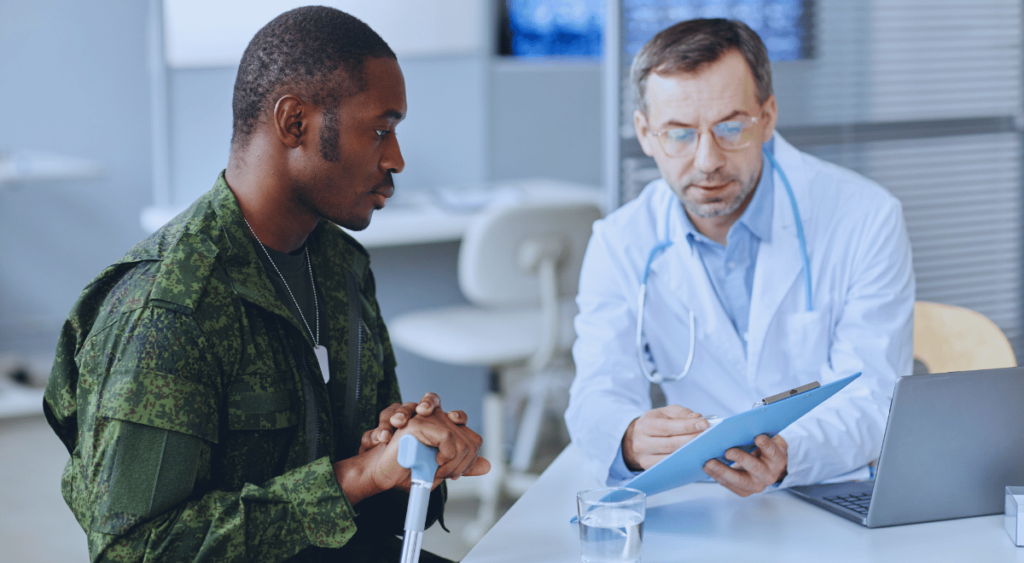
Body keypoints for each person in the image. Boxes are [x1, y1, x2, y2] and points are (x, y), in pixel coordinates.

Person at [43, 7, 488, 562]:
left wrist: (405, 456)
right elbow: (134, 551)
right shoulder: (168, 308)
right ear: (294, 123)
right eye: (380, 130)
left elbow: (368, 485)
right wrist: (354, 477)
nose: (396, 158)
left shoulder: (341, 267)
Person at [565, 19, 914, 496]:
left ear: (767, 117)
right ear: (646, 134)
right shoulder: (620, 241)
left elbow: (875, 397)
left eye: (730, 128)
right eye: (680, 133)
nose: (708, 160)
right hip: (698, 495)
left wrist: (788, 454)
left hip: (825, 487)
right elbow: (596, 394)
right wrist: (628, 439)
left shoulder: (866, 217)